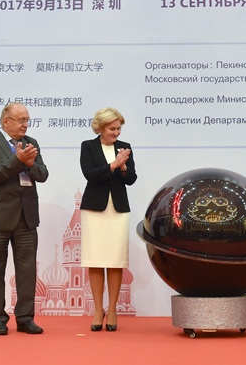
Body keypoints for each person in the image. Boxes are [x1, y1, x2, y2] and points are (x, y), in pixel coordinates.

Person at [0, 102, 48, 335]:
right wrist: (19, 160)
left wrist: (30, 163)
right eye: (21, 120)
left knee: (27, 271)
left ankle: (26, 318)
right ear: (6, 121)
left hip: (26, 217)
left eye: (27, 120)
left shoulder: (31, 143)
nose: (25, 124)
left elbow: (43, 174)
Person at [80, 107, 137, 332]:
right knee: (95, 259)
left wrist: (123, 167)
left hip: (118, 210)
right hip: (94, 209)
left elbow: (131, 179)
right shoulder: (88, 146)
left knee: (115, 260)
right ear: (101, 127)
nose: (117, 132)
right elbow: (89, 174)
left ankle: (112, 309)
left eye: (118, 128)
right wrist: (112, 165)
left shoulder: (125, 147)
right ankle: (98, 310)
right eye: (112, 128)